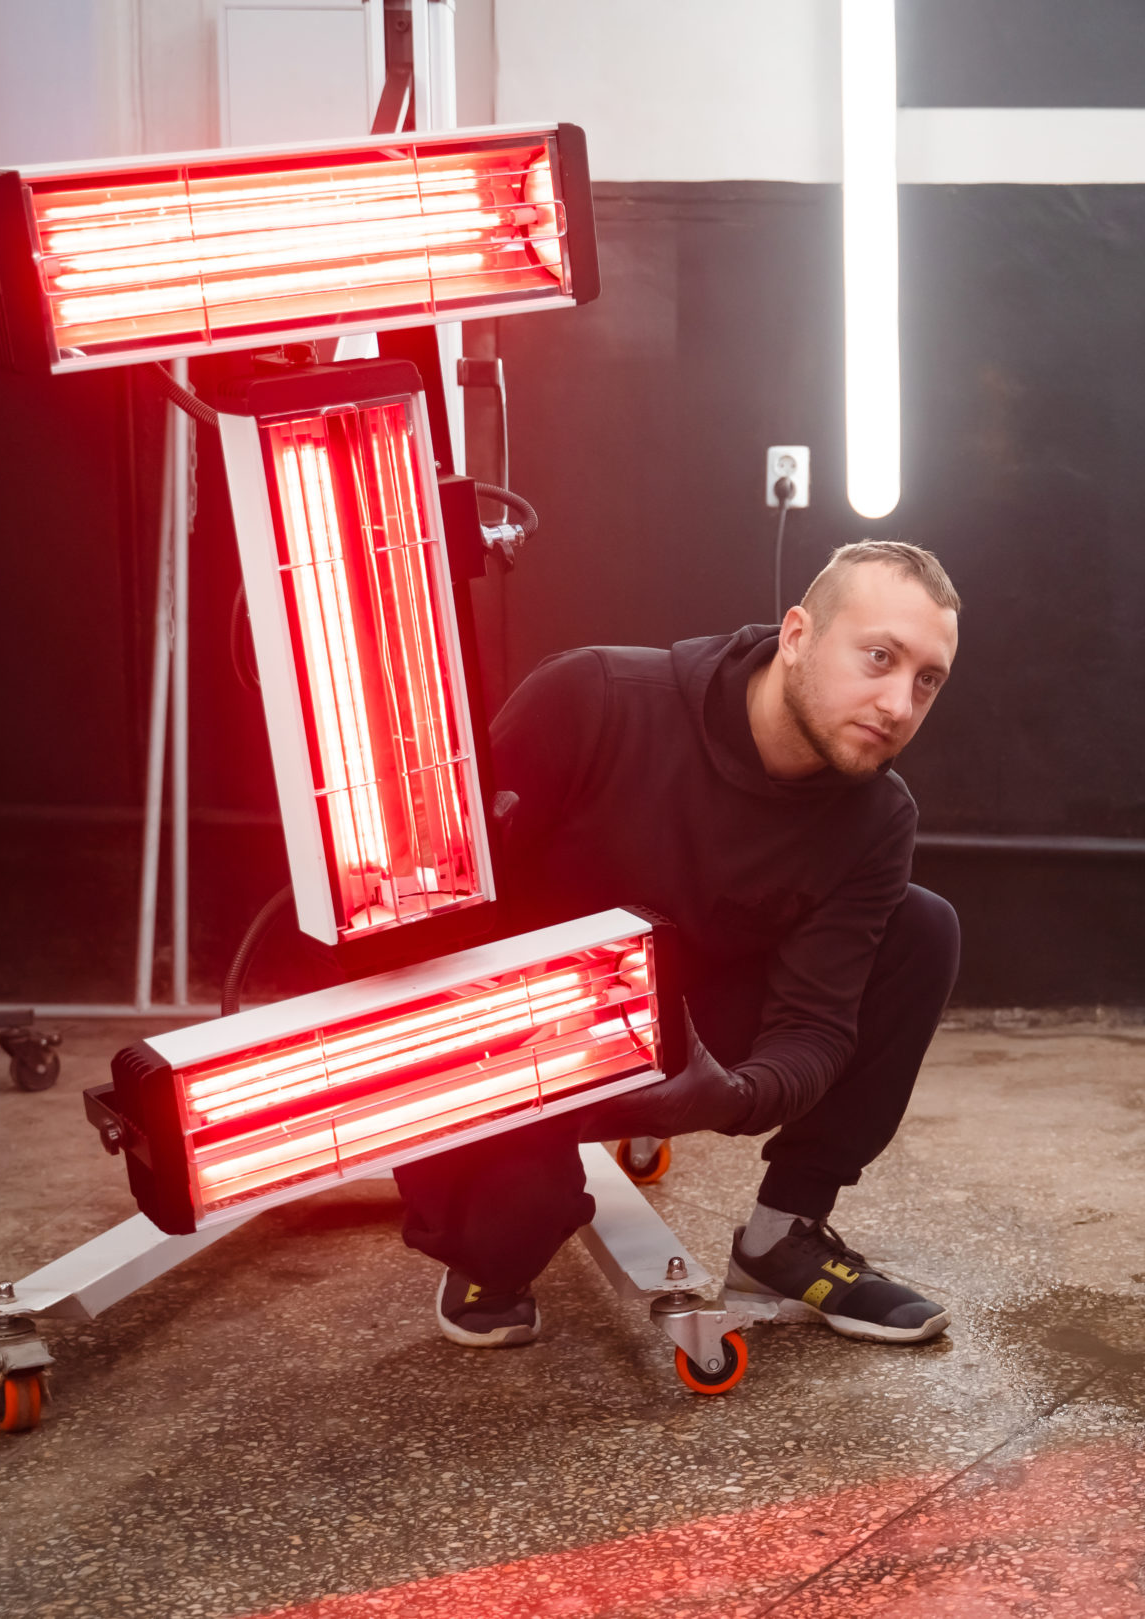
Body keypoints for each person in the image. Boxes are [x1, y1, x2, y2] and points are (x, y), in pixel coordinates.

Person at [395, 541, 964, 1350]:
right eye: (879, 657)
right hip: (521, 1040)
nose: (899, 703)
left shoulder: (877, 817)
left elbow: (816, 1027)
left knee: (922, 926)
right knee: (505, 1234)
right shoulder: (592, 696)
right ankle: (502, 1225)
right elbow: (439, 912)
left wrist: (726, 1095)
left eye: (927, 680)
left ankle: (782, 1239)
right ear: (797, 634)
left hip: (690, 1037)